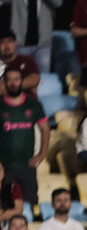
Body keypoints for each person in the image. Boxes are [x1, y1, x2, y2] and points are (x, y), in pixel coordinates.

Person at [0, 66, 49, 205]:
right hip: (5, 167)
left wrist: (42, 154)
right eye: (8, 80)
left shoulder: (33, 105)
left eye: (16, 80)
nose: (12, 83)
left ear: (21, 81)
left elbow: (45, 129)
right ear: (4, 82)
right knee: (6, 206)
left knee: (31, 206)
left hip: (27, 166)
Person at [3, 0, 58, 72]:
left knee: (44, 78)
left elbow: (58, 3)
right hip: (21, 44)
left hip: (43, 45)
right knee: (19, 76)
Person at [0, 28, 41, 96]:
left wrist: (7, 86)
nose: (6, 45)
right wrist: (24, 84)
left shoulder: (27, 60)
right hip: (4, 104)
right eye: (2, 42)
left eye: (9, 41)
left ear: (15, 43)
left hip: (27, 103)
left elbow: (35, 80)